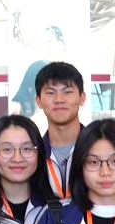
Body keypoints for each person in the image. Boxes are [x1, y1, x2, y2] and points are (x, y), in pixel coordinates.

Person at [0, 114, 59, 224]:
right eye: (7, 149)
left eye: (26, 149)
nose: (17, 159)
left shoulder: (56, 210)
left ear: (39, 154)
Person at [35, 62, 87, 200]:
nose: (59, 100)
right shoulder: (33, 154)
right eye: (50, 93)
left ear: (82, 98)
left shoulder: (98, 149)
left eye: (67, 92)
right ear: (39, 101)